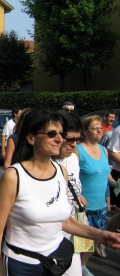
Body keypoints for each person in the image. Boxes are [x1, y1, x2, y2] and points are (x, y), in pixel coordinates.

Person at [0, 109, 120, 276]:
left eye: (60, 133)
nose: (60, 139)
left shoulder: (61, 172)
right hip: (23, 263)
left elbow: (64, 221)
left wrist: (100, 235)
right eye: (51, 134)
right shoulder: (14, 176)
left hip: (57, 259)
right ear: (31, 138)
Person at [77, 115, 111, 274]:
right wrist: (76, 194)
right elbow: (68, 176)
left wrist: (116, 186)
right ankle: (74, 268)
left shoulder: (103, 150)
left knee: (95, 241)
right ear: (84, 130)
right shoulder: (77, 151)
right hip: (83, 207)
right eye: (94, 128)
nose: (99, 131)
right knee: (81, 243)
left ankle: (82, 266)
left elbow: (105, 175)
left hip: (101, 206)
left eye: (100, 128)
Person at [54, 112, 85, 276]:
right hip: (49, 239)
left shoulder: (73, 158)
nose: (74, 144)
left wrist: (77, 195)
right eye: (70, 139)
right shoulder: (45, 162)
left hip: (70, 234)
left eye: (78, 140)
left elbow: (73, 186)